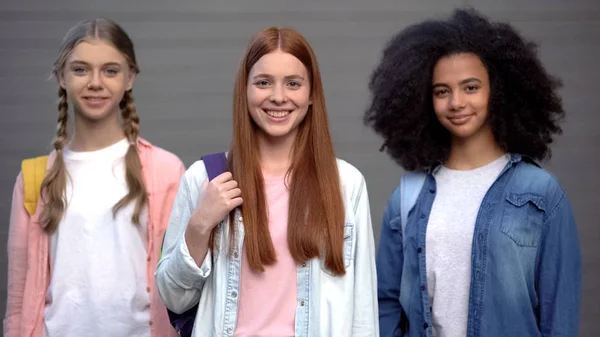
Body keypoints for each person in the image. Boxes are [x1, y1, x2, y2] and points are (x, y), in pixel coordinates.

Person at [365, 9, 582, 337]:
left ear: (497, 91)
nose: (456, 102)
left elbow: (559, 312)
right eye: (442, 91)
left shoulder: (540, 193)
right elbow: (386, 303)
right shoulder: (406, 198)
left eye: (470, 87)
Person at [156, 27, 378, 336]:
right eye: (263, 83)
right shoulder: (204, 179)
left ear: (312, 93)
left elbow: (363, 311)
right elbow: (174, 298)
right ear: (244, 90)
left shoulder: (346, 184)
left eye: (293, 83)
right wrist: (199, 226)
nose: (278, 96)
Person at [4, 19, 184, 337]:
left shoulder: (166, 171)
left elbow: (181, 282)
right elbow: (19, 300)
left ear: (130, 77)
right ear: (61, 76)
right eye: (80, 69)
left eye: (110, 71)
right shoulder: (33, 179)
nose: (96, 83)